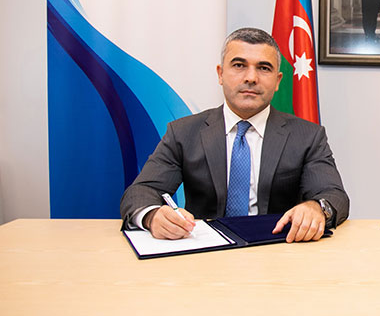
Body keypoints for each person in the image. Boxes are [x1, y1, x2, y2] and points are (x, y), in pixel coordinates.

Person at [120, 27, 349, 243]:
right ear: (220, 74)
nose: (251, 78)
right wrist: (152, 216)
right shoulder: (183, 132)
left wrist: (317, 208)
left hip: (278, 249)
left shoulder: (307, 136)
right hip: (203, 252)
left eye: (264, 68)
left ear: (278, 81)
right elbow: (140, 192)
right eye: (239, 65)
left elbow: (334, 195)